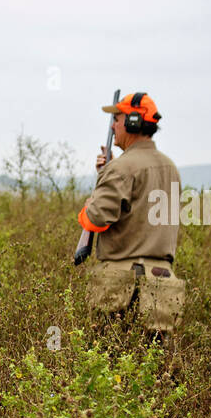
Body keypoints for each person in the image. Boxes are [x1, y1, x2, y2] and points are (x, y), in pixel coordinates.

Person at [76, 92, 186, 346]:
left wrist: (94, 195)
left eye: (117, 118)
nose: (113, 125)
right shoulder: (170, 168)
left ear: (134, 122)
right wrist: (112, 172)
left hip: (121, 285)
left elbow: (95, 219)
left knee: (109, 367)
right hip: (162, 285)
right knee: (156, 373)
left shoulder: (122, 168)